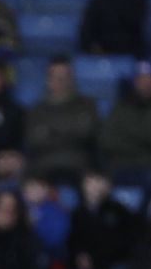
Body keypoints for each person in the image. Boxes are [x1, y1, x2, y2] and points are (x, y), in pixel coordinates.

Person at [98, 59, 151, 188]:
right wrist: (146, 140)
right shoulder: (121, 107)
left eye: (150, 79)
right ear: (134, 82)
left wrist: (127, 133)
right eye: (141, 79)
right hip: (120, 166)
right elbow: (108, 140)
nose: (146, 84)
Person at [24, 57, 99, 185]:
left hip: (80, 165)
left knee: (95, 187)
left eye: (65, 76)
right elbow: (34, 141)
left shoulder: (87, 105)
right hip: (43, 166)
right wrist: (72, 129)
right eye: (57, 77)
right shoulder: (37, 109)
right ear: (48, 80)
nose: (61, 81)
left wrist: (51, 131)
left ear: (72, 79)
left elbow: (88, 135)